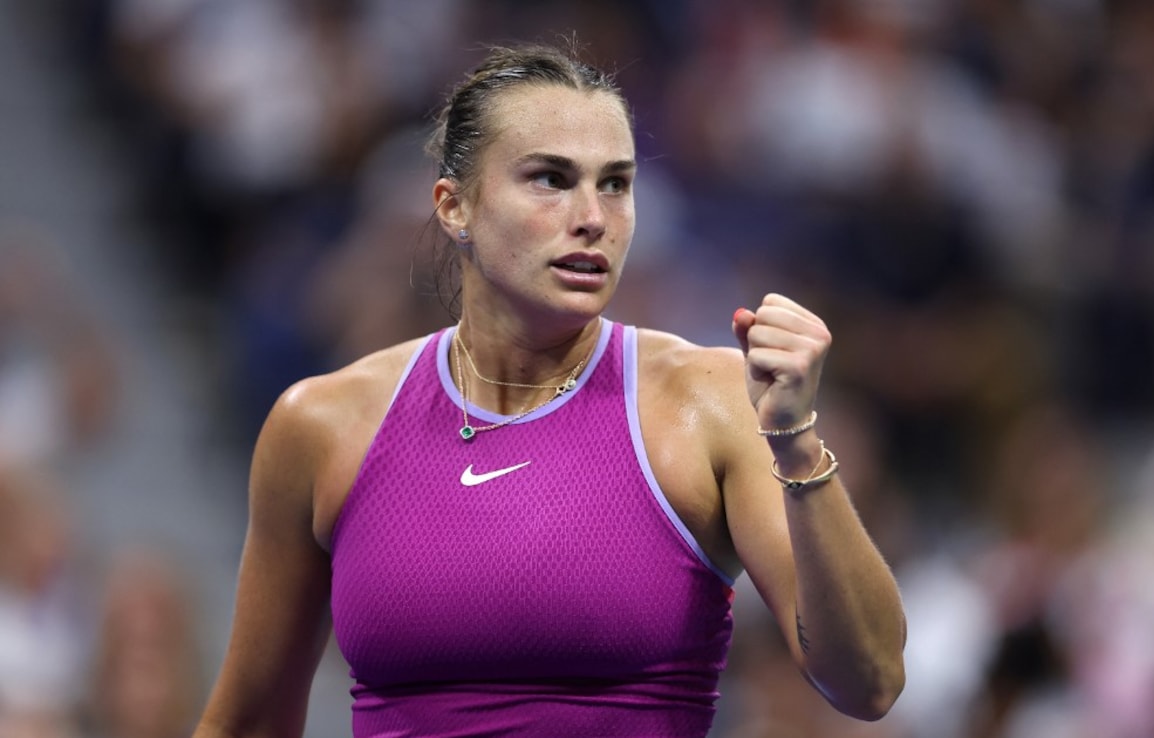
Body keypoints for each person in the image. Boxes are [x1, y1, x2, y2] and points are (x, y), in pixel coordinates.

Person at [191, 40, 906, 738]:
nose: (593, 216)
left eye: (616, 183)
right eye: (550, 179)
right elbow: (248, 722)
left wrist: (796, 443)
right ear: (454, 207)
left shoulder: (711, 400)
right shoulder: (321, 424)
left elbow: (869, 681)